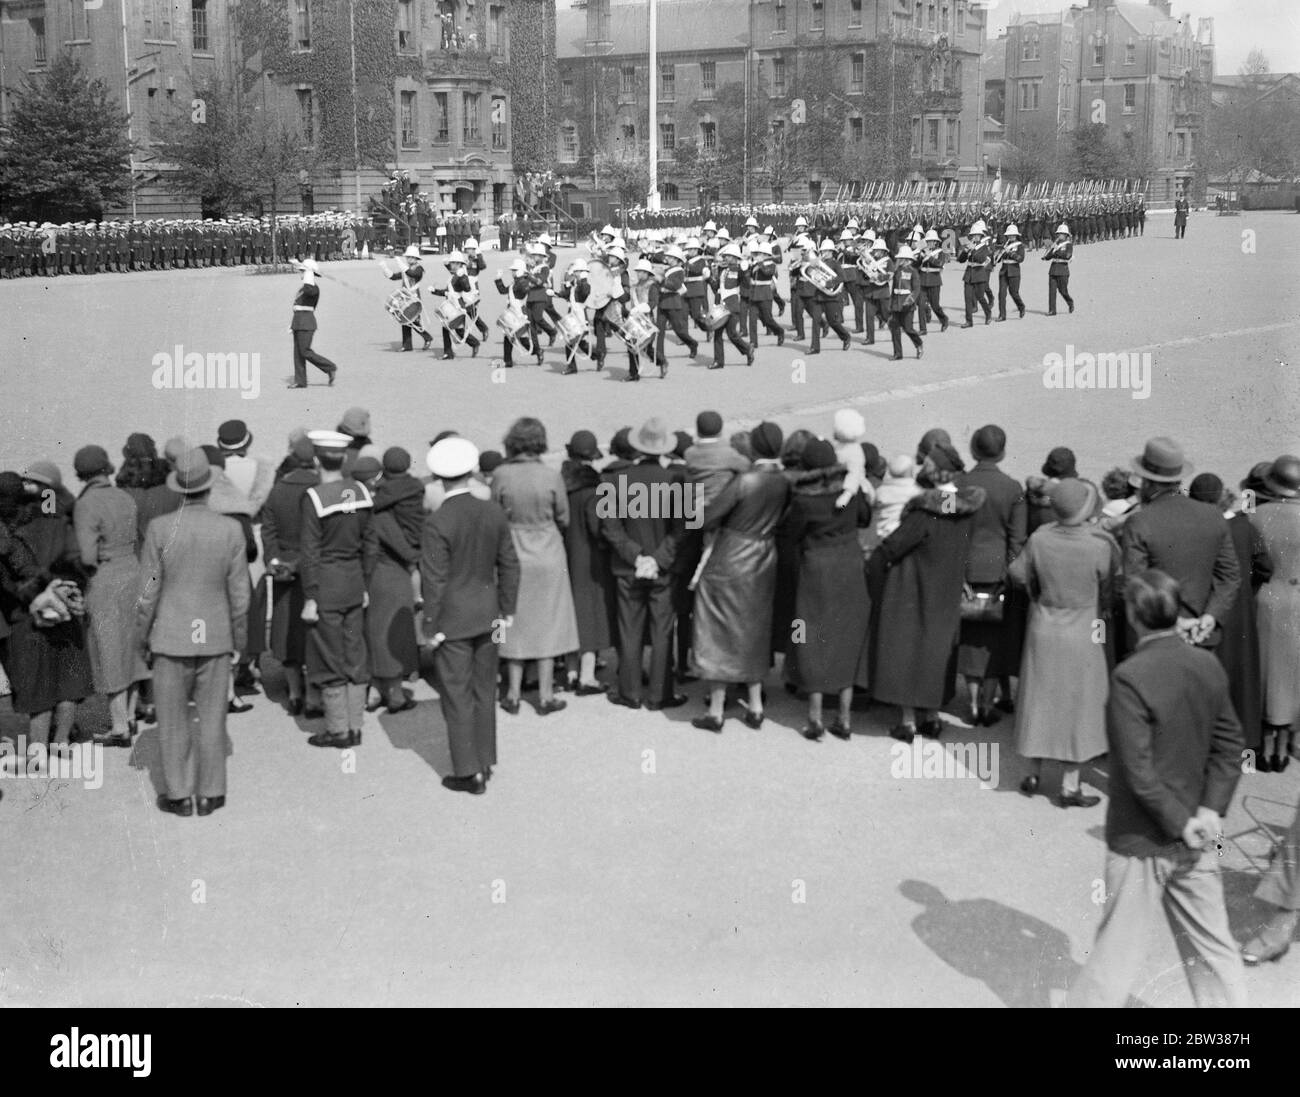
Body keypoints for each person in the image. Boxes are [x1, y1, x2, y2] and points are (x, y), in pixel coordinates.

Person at [1069, 569, 1246, 1008]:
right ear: (1174, 612)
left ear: (1134, 615)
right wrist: (1208, 811)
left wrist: (1181, 822)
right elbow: (1230, 745)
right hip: (1198, 838)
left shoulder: (1130, 677)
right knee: (1213, 951)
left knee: (1115, 956)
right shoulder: (1207, 664)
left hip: (1141, 840)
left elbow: (1137, 772)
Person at [136, 449, 251, 819]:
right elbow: (239, 596)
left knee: (172, 720)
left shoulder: (159, 528)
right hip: (215, 635)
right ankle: (212, 792)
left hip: (171, 636)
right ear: (208, 485)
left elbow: (147, 592)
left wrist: (141, 637)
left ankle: (180, 793)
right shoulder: (230, 529)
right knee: (213, 717)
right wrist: (240, 640)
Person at [421, 436, 520, 795]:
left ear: (436, 476)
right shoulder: (492, 511)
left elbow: (434, 582)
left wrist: (430, 626)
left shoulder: (438, 522)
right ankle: (487, 758)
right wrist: (508, 608)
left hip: (453, 619)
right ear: (472, 471)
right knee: (484, 687)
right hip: (491, 614)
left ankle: (468, 769)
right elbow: (509, 563)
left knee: (457, 693)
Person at [1011, 479, 1119, 806]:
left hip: (1043, 623)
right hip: (1084, 625)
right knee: (1079, 705)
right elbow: (1112, 581)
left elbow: (1017, 573)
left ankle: (1032, 771)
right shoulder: (1100, 544)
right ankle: (1070, 785)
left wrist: (1037, 591)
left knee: (1038, 698)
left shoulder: (1040, 538)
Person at [871, 443, 985, 742]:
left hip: (914, 585)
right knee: (936, 652)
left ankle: (908, 721)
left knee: (908, 650)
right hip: (946, 586)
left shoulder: (924, 511)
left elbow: (895, 545)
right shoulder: (963, 509)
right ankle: (932, 716)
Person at [691, 421, 789, 734]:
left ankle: (717, 710)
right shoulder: (785, 480)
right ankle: (756, 705)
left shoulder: (745, 480)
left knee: (719, 628)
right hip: (764, 555)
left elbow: (710, 517)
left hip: (732, 556)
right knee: (753, 629)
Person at [779, 438, 872, 741]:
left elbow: (790, 535)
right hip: (849, 564)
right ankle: (844, 718)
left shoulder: (803, 499)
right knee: (847, 636)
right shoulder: (850, 488)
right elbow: (864, 518)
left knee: (812, 636)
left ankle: (814, 717)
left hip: (816, 567)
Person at [0, 472, 92, 760]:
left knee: (37, 685)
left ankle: (38, 752)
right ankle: (62, 742)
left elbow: (12, 583)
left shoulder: (6, 533)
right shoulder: (56, 520)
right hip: (65, 607)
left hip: (24, 617)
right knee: (66, 678)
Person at [491, 418, 580, 716]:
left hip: (513, 550)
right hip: (547, 550)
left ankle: (513, 693)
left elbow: (494, 513)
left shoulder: (502, 474)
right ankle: (545, 694)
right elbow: (563, 517)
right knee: (548, 622)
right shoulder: (550, 475)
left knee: (513, 621)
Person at [1121, 437, 1240, 653]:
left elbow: (1134, 583)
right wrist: (1210, 617)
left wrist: (1174, 623)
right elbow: (1230, 576)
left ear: (1146, 482)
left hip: (1157, 635)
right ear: (1178, 479)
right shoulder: (1213, 515)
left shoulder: (1139, 521)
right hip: (1202, 633)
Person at [600, 418, 688, 711]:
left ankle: (630, 692)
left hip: (627, 567)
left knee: (629, 629)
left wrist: (636, 556)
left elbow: (610, 529)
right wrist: (658, 558)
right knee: (663, 631)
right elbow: (686, 528)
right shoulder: (681, 481)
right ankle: (660, 694)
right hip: (664, 568)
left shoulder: (610, 481)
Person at [300, 430, 377, 749]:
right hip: (354, 583)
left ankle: (338, 729)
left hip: (327, 587)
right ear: (344, 458)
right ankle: (356, 725)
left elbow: (310, 552)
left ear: (317, 460)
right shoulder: (360, 491)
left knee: (329, 656)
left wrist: (310, 596)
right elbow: (370, 545)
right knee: (355, 653)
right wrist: (365, 582)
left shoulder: (315, 497)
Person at [1189, 472, 1271, 765]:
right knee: (1241, 676)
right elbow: (1265, 566)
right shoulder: (1244, 528)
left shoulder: (1198, 528)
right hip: (1241, 611)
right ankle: (1244, 742)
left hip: (1208, 610)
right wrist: (1249, 589)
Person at [72, 445, 146, 748]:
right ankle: (129, 716)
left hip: (105, 578)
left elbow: (88, 556)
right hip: (133, 571)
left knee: (109, 649)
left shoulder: (86, 504)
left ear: (81, 473)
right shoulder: (124, 496)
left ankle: (118, 726)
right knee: (131, 646)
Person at [956, 425, 1027, 727]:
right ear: (1002, 452)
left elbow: (951, 528)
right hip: (998, 572)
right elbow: (1018, 538)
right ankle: (987, 704)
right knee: (993, 642)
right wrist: (1007, 571)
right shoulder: (1013, 488)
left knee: (971, 640)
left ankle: (971, 704)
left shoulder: (958, 484)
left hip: (966, 570)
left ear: (973, 450)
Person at [260, 434, 320, 716]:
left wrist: (274, 560)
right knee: (313, 632)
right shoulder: (321, 487)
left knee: (286, 633)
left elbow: (268, 531)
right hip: (314, 567)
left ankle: (295, 692)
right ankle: (314, 696)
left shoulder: (278, 490)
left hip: (284, 566)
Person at [1250, 454, 1300, 772]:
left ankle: (1265, 745)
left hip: (1265, 598)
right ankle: (1284, 746)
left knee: (1266, 672)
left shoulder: (1256, 516)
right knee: (1291, 675)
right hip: (1296, 598)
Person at [365, 448, 424, 714]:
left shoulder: (380, 503)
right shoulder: (415, 490)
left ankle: (382, 691)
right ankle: (394, 693)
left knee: (379, 631)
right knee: (397, 632)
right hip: (400, 570)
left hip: (384, 570)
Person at [560, 431, 616, 695]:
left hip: (566, 553)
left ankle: (571, 670)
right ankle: (586, 675)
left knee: (571, 611)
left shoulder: (561, 482)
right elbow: (599, 526)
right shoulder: (595, 488)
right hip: (590, 556)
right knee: (591, 614)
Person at [288, 258, 338, 388]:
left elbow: (309, 289)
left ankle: (330, 367)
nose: (300, 273)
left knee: (305, 351)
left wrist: (309, 272)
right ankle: (300, 380)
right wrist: (292, 324)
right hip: (298, 322)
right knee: (298, 353)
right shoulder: (303, 288)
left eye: (302, 271)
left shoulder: (313, 289)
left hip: (306, 323)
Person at [389, 245, 433, 352]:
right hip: (405, 296)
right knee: (404, 319)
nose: (408, 259)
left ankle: (427, 337)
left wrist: (402, 265)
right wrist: (386, 271)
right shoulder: (407, 269)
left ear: (415, 258)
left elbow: (413, 274)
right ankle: (407, 345)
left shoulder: (419, 269)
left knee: (413, 320)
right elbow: (395, 276)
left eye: (410, 257)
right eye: (407, 257)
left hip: (414, 296)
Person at [887, 244, 924, 361]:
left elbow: (916, 289)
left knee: (908, 328)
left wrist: (911, 299)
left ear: (907, 259)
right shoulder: (897, 271)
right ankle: (898, 353)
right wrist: (891, 304)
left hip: (907, 304)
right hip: (896, 304)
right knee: (895, 329)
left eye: (901, 258)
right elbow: (893, 289)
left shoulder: (913, 272)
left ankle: (918, 343)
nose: (899, 260)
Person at [956, 220, 993, 327]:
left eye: (977, 235)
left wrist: (973, 250)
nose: (975, 237)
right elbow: (961, 260)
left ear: (981, 236)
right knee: (967, 298)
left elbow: (981, 259)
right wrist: (966, 251)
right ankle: (969, 321)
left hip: (979, 274)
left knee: (980, 297)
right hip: (969, 274)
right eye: (973, 235)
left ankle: (988, 313)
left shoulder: (984, 247)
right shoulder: (969, 245)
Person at [994, 224, 1026, 321]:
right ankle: (1002, 315)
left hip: (1014, 271)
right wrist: (998, 255)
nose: (1011, 236)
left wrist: (1010, 253)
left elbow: (1021, 259)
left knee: (1014, 293)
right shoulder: (1005, 245)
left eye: (1013, 235)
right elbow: (998, 260)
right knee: (1001, 294)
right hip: (1004, 271)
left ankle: (1021, 307)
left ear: (1016, 235)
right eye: (1009, 235)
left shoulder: (1020, 245)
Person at [1043, 225, 1074, 315]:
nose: (1059, 235)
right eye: (1058, 234)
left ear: (1065, 235)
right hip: (1053, 270)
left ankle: (1070, 302)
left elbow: (1067, 255)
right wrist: (1048, 254)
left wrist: (1057, 251)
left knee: (1063, 290)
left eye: (1061, 234)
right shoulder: (1055, 244)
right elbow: (1048, 257)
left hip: (1063, 270)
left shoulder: (1068, 244)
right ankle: (1052, 310)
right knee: (1052, 291)